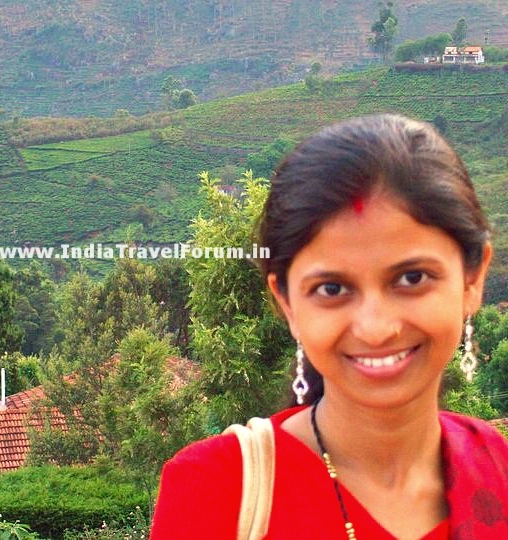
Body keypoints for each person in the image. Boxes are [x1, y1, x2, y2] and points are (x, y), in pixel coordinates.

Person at [149, 114, 508, 539]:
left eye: (412, 278)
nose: (376, 328)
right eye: (332, 287)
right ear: (287, 303)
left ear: (472, 280)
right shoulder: (213, 488)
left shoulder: (497, 468)